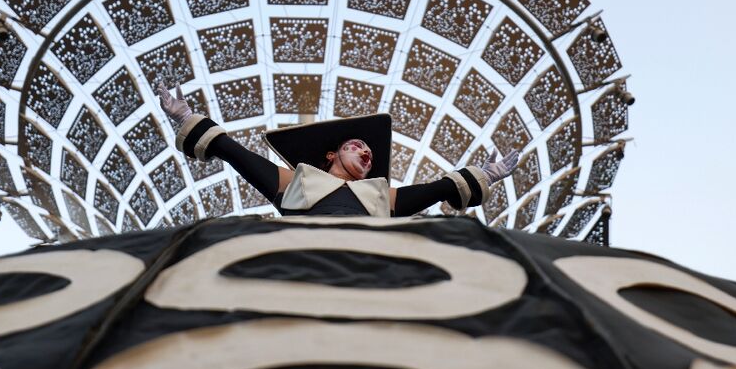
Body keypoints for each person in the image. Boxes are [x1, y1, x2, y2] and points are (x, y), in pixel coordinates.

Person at [158, 83, 518, 217]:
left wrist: (485, 175)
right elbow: (234, 153)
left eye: (370, 154)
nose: (366, 153)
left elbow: (438, 189)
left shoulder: (381, 197)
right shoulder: (295, 182)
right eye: (356, 146)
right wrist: (187, 116)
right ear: (331, 155)